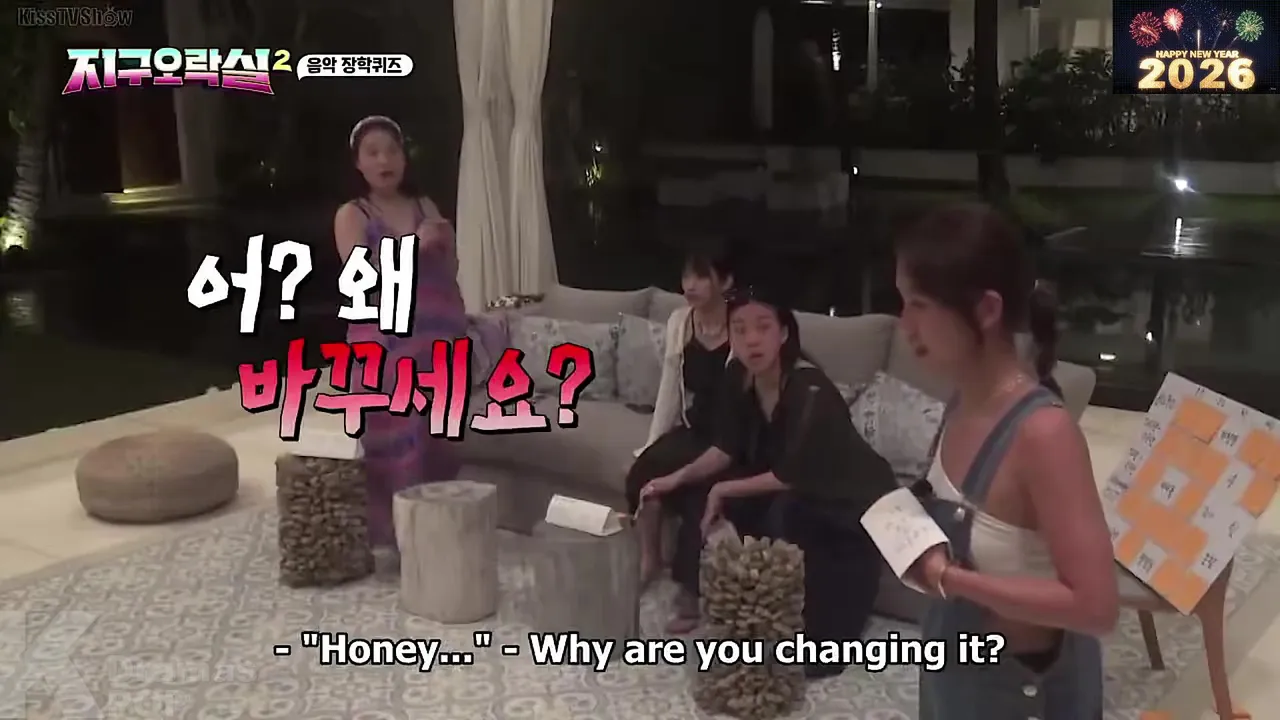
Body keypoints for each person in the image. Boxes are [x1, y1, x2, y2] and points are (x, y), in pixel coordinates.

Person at [894, 203, 1118, 719]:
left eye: (919, 305)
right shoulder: (960, 401)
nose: (904, 325)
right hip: (955, 678)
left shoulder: (1044, 434)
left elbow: (1096, 608)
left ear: (986, 310)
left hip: (1019, 694)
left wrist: (951, 580)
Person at [639, 284, 895, 677]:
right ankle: (703, 594)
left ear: (784, 333)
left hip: (845, 501)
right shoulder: (739, 375)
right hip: (791, 483)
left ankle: (798, 617)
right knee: (701, 492)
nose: (751, 340)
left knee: (778, 513)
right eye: (739, 329)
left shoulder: (811, 389)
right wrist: (675, 478)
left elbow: (793, 474)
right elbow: (725, 448)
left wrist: (723, 489)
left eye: (763, 327)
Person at [333, 115, 466, 561]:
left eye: (392, 150)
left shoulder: (425, 205)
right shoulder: (353, 214)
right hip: (384, 342)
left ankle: (439, 529)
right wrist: (413, 243)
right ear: (358, 163)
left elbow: (449, 273)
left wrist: (445, 241)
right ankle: (399, 537)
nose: (384, 160)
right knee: (395, 432)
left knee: (439, 437)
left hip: (437, 339)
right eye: (372, 152)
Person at [624, 245, 735, 596]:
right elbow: (670, 387)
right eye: (687, 275)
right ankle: (650, 559)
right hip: (695, 427)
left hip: (730, 435)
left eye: (701, 276)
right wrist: (653, 442)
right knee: (643, 472)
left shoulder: (741, 325)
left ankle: (691, 586)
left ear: (725, 282)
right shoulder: (680, 321)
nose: (690, 285)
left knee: (696, 495)